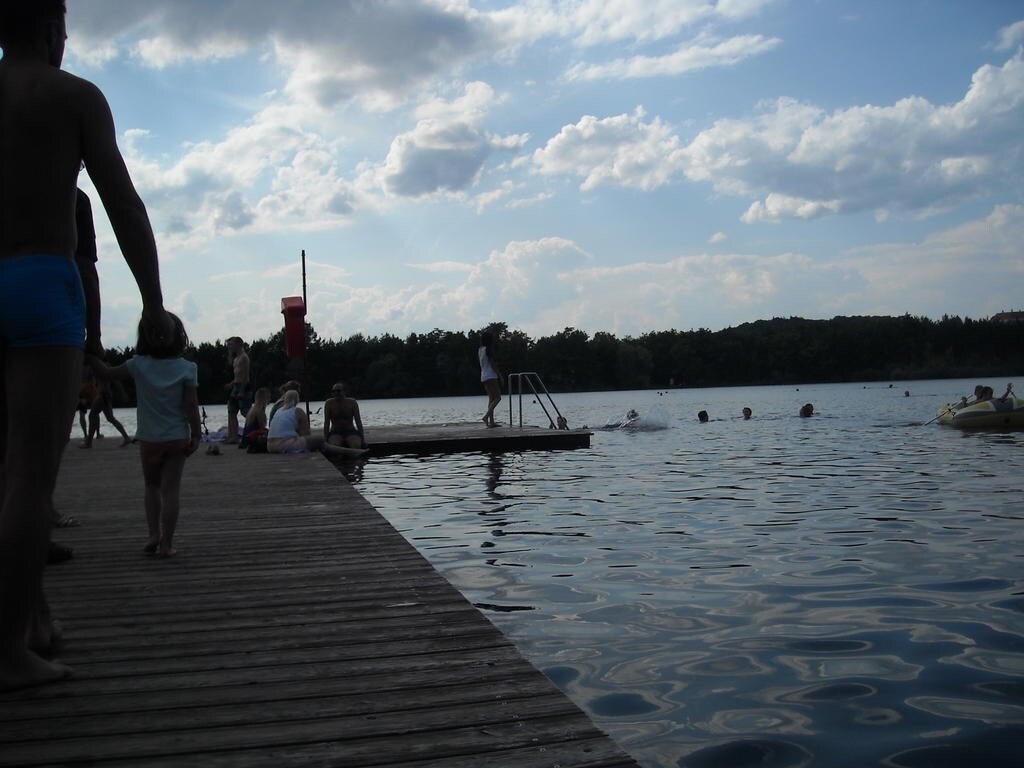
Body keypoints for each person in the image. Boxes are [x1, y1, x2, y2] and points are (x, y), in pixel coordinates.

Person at [0, 1, 173, 691]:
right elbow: (122, 202)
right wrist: (152, 300)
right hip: (42, 281)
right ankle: (9, 650)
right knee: (29, 478)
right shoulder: (73, 96)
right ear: (53, 30)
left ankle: (34, 616)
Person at [89, 313, 200, 559]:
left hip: (149, 439)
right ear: (179, 337)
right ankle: (167, 544)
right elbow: (191, 406)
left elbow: (105, 373)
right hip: (176, 438)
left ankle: (153, 535)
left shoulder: (138, 364)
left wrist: (90, 353)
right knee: (171, 491)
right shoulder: (187, 368)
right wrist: (197, 435)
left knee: (151, 487)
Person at [268, 389, 366, 458]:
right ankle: (350, 452)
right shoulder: (298, 411)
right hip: (284, 445)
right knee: (319, 439)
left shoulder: (279, 411)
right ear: (297, 399)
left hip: (270, 446)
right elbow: (306, 434)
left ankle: (348, 452)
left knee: (318, 443)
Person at [82, 379, 131, 447]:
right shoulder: (102, 373)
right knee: (110, 418)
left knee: (92, 415)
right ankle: (126, 437)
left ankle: (89, 442)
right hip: (105, 395)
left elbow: (116, 381)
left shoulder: (103, 372)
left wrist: (123, 393)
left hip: (103, 395)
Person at [223, 336, 251, 443]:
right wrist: (231, 385)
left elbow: (245, 376)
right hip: (235, 387)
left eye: (231, 345)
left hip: (243, 387)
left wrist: (242, 391)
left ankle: (252, 433)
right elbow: (237, 376)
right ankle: (232, 436)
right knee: (231, 411)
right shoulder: (236, 358)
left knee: (246, 412)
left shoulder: (244, 358)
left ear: (238, 345)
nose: (229, 347)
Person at [324, 382, 366, 450]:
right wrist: (325, 439)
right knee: (335, 447)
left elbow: (358, 421)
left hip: (350, 430)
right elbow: (326, 422)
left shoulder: (352, 402)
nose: (336, 393)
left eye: (338, 391)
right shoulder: (329, 403)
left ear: (344, 391)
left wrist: (363, 439)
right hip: (335, 431)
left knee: (356, 446)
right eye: (333, 391)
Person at [479, 331, 501, 428]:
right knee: (498, 398)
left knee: (491, 399)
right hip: (491, 375)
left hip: (483, 376)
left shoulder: (480, 350)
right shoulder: (488, 349)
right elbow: (492, 364)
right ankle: (486, 416)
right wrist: (500, 375)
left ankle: (491, 422)